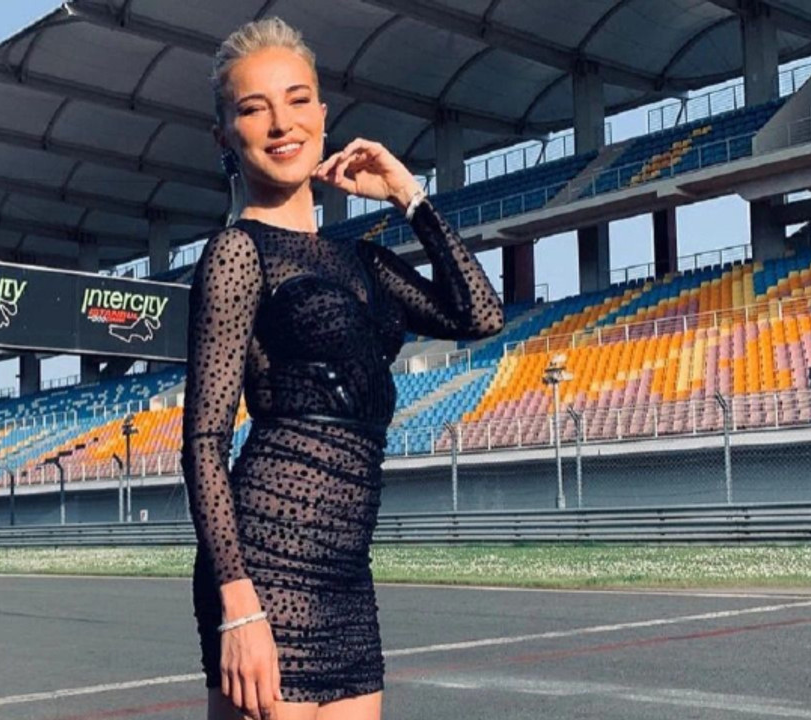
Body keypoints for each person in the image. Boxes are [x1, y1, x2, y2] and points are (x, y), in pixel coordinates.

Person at [180, 16, 505, 720]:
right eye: (253, 108)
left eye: (298, 100)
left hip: (347, 577)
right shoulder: (237, 253)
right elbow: (204, 441)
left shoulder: (364, 261)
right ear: (224, 136)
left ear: (323, 116)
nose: (281, 123)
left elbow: (480, 316)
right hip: (263, 567)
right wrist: (239, 605)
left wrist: (409, 197)